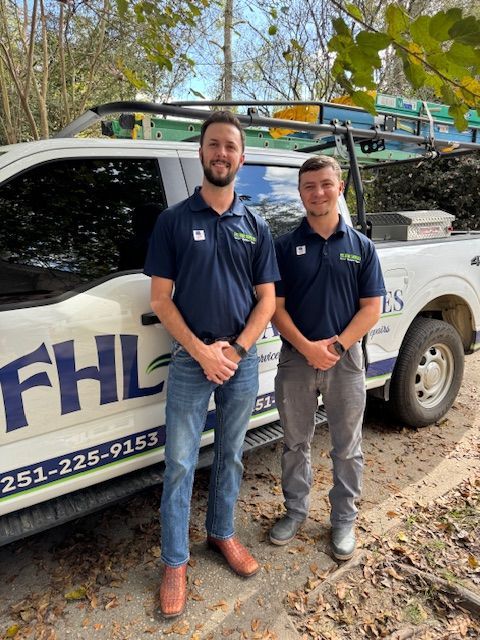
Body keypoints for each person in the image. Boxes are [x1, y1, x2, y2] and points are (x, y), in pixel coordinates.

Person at [144, 110, 279, 618]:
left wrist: (237, 351)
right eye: (214, 144)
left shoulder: (256, 225)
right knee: (179, 464)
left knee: (232, 455)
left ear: (241, 158)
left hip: (239, 362)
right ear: (201, 152)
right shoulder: (174, 220)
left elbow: (266, 301)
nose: (222, 153)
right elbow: (161, 299)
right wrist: (202, 352)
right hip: (189, 360)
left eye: (231, 147)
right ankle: (175, 563)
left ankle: (222, 534)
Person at [269, 156, 386, 560]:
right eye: (308, 186)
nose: (317, 193)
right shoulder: (283, 247)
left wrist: (334, 347)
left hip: (346, 361)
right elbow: (274, 306)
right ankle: (296, 511)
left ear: (340, 188)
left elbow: (372, 307)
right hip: (296, 360)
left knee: (347, 446)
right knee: (294, 443)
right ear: (300, 193)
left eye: (324, 184)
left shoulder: (361, 247)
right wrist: (307, 348)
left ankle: (343, 521)